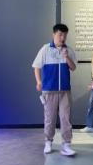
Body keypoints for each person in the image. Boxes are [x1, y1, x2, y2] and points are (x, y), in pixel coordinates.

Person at [32, 23, 77, 156]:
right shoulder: (45, 49)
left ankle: (66, 145)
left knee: (66, 118)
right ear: (54, 34)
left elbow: (73, 68)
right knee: (50, 118)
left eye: (65, 35)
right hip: (49, 90)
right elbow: (36, 66)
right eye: (60, 35)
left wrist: (66, 57)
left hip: (65, 91)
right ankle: (48, 141)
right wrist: (39, 82)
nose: (62, 38)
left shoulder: (68, 50)